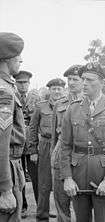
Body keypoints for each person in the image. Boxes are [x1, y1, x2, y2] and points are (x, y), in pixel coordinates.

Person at [60, 63, 105, 222]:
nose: (84, 83)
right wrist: (67, 177)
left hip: (104, 172)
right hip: (78, 175)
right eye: (83, 79)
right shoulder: (73, 109)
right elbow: (64, 146)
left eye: (90, 80)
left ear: (102, 82)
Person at [29, 78, 65, 221]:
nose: (56, 91)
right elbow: (32, 128)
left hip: (62, 145)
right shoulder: (40, 106)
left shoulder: (68, 106)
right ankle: (42, 216)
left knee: (63, 183)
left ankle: (63, 215)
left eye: (59, 88)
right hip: (45, 145)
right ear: (49, 90)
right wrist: (33, 150)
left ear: (64, 90)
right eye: (54, 88)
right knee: (44, 183)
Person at [51, 65, 84, 222]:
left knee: (83, 203)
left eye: (75, 79)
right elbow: (54, 136)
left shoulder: (91, 103)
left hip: (82, 157)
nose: (71, 83)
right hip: (60, 155)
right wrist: (53, 157)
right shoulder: (60, 104)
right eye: (69, 79)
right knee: (61, 202)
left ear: (83, 81)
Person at [0, 32, 26, 221]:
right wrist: (6, 188)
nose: (20, 60)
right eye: (18, 57)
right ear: (8, 59)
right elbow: (1, 142)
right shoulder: (4, 90)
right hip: (7, 164)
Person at [14, 70, 40, 218]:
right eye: (20, 82)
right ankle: (22, 206)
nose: (23, 85)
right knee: (18, 176)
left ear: (29, 83)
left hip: (32, 144)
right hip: (16, 144)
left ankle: (41, 206)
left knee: (36, 177)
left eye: (25, 82)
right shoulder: (11, 96)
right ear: (16, 83)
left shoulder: (36, 98)